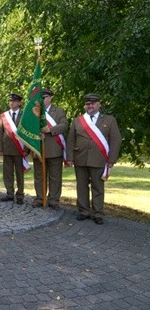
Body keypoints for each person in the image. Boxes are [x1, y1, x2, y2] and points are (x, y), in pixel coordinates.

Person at [67, 93, 122, 224]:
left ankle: (98, 213)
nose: (90, 106)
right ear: (84, 106)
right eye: (87, 103)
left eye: (92, 103)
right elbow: (70, 140)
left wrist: (112, 159)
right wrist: (69, 157)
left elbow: (116, 140)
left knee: (98, 187)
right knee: (81, 186)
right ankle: (83, 211)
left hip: (99, 159)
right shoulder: (77, 120)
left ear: (99, 104)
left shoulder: (109, 120)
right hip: (80, 158)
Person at [32, 89, 69, 209]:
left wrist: (50, 130)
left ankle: (53, 200)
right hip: (39, 149)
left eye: (45, 97)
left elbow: (64, 125)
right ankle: (40, 198)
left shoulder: (58, 111)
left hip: (54, 150)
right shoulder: (34, 112)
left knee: (55, 177)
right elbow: (28, 129)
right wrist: (37, 133)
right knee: (39, 177)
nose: (42, 100)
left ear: (50, 98)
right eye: (40, 98)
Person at [0, 93, 29, 204]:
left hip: (20, 149)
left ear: (19, 103)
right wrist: (0, 148)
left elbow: (28, 133)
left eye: (14, 101)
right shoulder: (4, 116)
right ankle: (9, 193)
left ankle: (20, 195)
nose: (11, 103)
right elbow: (0, 132)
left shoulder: (25, 115)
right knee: (8, 173)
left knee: (19, 173)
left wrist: (26, 149)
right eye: (10, 101)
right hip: (7, 149)